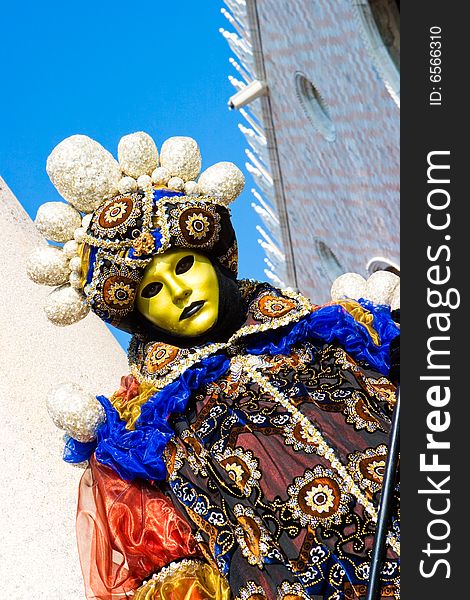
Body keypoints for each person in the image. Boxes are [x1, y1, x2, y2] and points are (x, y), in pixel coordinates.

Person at [28, 132, 400, 600]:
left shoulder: (337, 329)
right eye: (151, 290)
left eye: (183, 266)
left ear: (212, 259)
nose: (179, 292)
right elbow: (173, 570)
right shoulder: (145, 431)